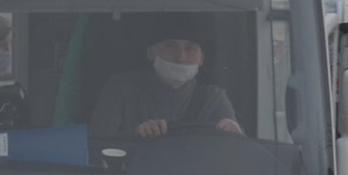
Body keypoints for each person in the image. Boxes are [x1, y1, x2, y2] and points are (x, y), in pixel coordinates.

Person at [87, 36, 241, 138]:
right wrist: (136, 135)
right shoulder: (120, 88)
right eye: (170, 46)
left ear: (201, 59)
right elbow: (97, 143)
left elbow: (239, 154)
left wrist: (234, 133)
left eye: (190, 48)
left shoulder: (213, 97)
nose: (181, 58)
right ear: (151, 53)